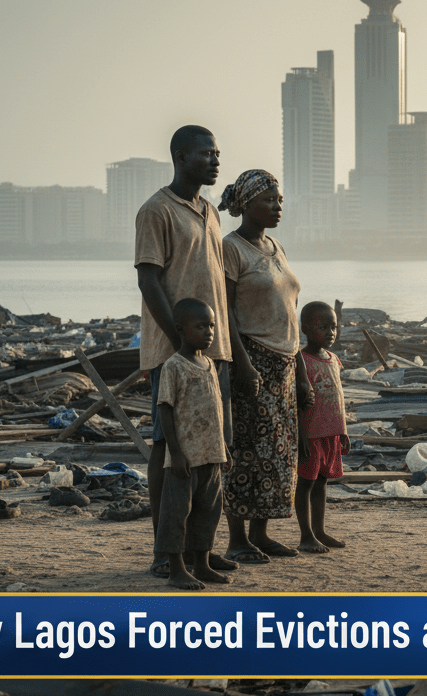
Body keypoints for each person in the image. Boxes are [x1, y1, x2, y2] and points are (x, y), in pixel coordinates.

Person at [135, 124, 237, 578]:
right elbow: (148, 278)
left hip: (214, 352)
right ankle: (164, 551)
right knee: (167, 448)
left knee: (212, 450)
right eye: (205, 154)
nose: (215, 160)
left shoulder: (210, 212)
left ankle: (199, 551)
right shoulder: (157, 210)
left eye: (217, 153)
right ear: (179, 156)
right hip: (173, 351)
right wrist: (178, 340)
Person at [217, 169, 312, 563]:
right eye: (269, 201)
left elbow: (289, 311)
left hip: (285, 365)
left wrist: (301, 371)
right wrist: (242, 365)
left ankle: (261, 534)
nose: (277, 207)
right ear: (246, 205)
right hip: (252, 361)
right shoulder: (231, 248)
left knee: (278, 453)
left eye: (280, 201)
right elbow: (225, 313)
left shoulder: (276, 246)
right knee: (247, 453)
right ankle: (237, 539)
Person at [154, 298, 231, 591]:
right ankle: (176, 569)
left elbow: (216, 408)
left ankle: (203, 564)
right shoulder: (173, 366)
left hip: (211, 454)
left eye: (211, 325)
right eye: (200, 326)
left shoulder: (210, 364)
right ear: (181, 330)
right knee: (176, 514)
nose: (208, 332)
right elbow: (165, 409)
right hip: (184, 458)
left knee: (208, 512)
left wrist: (224, 446)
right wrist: (175, 451)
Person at [296, 301, 349, 553]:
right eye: (323, 327)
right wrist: (300, 434)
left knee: (322, 483)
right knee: (305, 483)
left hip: (331, 434)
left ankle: (320, 531)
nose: (330, 332)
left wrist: (344, 431)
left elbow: (338, 397)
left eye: (334, 327)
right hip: (311, 434)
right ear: (306, 328)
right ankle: (306, 535)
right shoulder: (301, 361)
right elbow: (296, 401)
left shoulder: (334, 360)